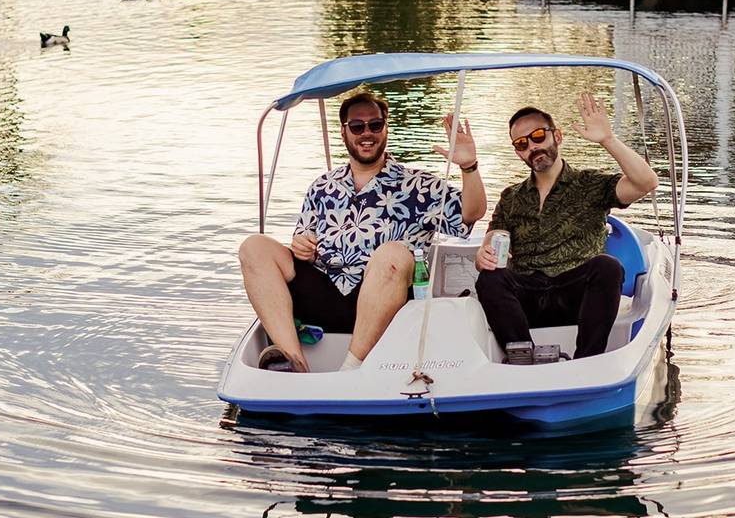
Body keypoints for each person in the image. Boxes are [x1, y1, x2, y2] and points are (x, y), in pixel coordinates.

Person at [239, 92, 486, 372]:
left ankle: (350, 369)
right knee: (253, 247)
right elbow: (302, 240)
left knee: (392, 253)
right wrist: (301, 246)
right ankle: (292, 361)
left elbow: (471, 213)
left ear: (386, 129)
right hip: (324, 290)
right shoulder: (322, 187)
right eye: (357, 127)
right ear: (344, 133)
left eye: (375, 125)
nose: (366, 133)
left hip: (384, 300)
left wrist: (468, 167)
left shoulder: (419, 185)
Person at [474, 92, 659, 360]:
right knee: (490, 278)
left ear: (556, 136)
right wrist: (485, 254)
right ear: (518, 153)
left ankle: (587, 360)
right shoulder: (511, 196)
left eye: (538, 137)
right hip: (527, 296)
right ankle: (522, 357)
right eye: (522, 143)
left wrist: (608, 140)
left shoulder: (591, 184)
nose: (532, 147)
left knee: (607, 266)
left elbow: (647, 183)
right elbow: (496, 236)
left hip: (577, 295)